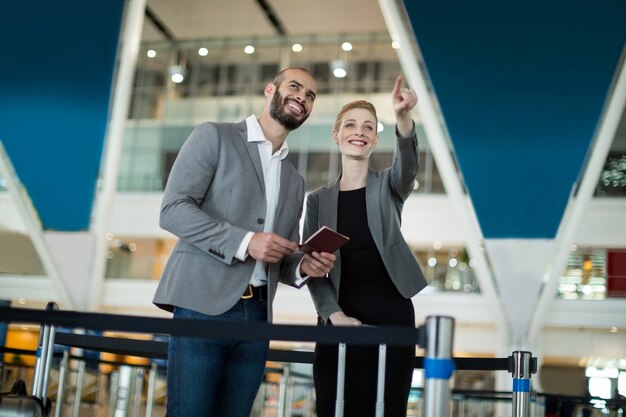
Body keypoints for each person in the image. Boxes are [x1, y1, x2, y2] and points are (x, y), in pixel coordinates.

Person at [153, 67, 336, 417]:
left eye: (310, 95)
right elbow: (173, 210)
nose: (302, 97)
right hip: (201, 306)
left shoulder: (294, 180)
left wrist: (303, 266)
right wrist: (246, 241)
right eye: (294, 87)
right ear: (270, 90)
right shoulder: (214, 136)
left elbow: (282, 253)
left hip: (257, 317)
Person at [305, 76, 428, 417]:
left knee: (387, 409)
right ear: (336, 135)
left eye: (368, 127)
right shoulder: (317, 202)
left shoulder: (388, 186)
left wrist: (403, 118)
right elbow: (313, 271)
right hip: (339, 317)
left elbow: (408, 167)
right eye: (350, 125)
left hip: (392, 316)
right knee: (334, 406)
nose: (358, 131)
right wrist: (334, 315)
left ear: (375, 138)